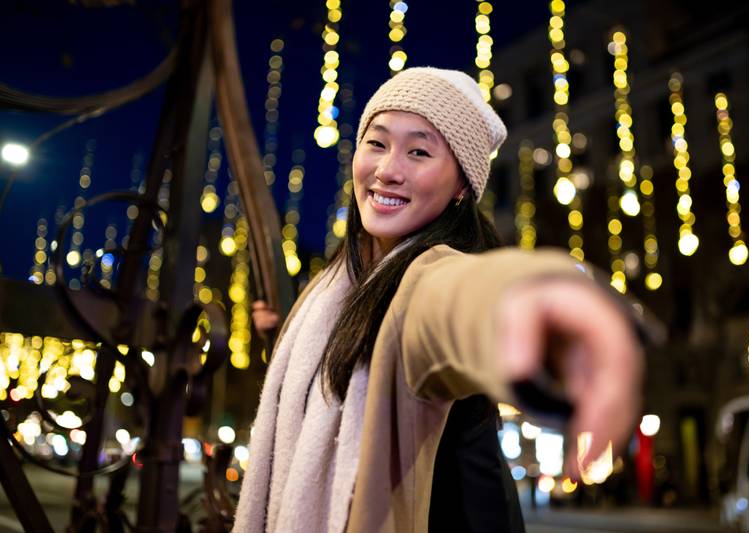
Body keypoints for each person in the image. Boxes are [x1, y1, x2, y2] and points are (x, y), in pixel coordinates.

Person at [235, 67, 642, 533]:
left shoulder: (431, 275)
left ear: (462, 187)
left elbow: (460, 304)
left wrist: (537, 306)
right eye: (377, 143)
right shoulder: (336, 285)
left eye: (419, 152)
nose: (388, 170)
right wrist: (282, 336)